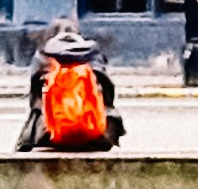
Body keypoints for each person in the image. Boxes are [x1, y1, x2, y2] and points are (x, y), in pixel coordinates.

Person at [14, 18, 122, 152]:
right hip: (95, 133)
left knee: (35, 118)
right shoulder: (91, 54)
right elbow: (108, 93)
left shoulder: (42, 56)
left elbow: (34, 99)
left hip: (49, 135)